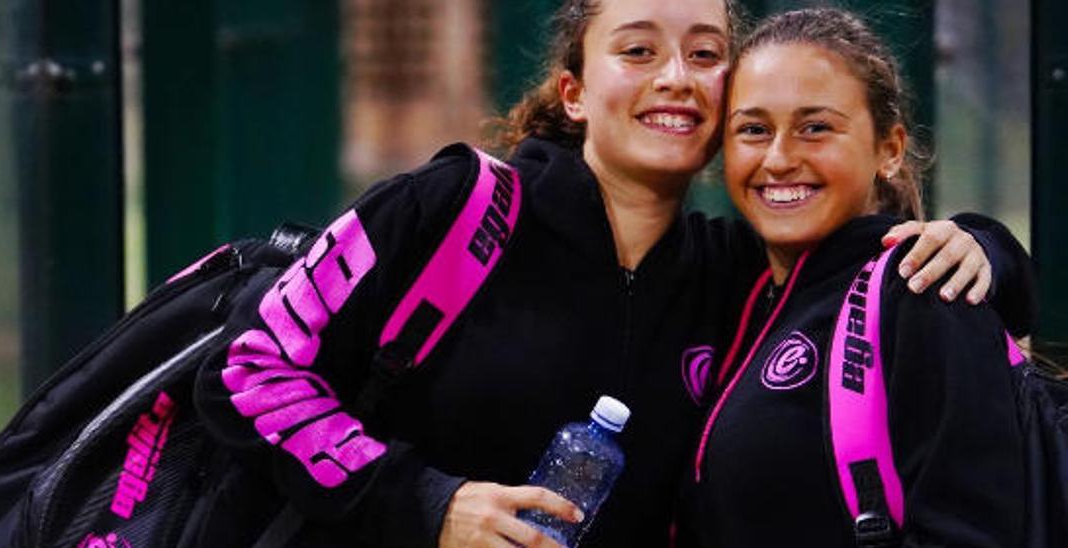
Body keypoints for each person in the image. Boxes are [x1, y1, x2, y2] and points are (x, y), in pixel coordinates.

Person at [193, 1, 1031, 546]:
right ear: (575, 91)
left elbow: (897, 281)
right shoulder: (452, 209)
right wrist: (425, 502)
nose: (675, 76)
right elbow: (247, 369)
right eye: (637, 50)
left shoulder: (743, 275)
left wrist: (984, 245)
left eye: (705, 54)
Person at [681, 8, 1030, 547]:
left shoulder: (922, 287)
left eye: (814, 128)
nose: (777, 159)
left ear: (889, 149)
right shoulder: (738, 291)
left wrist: (990, 249)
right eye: (753, 129)